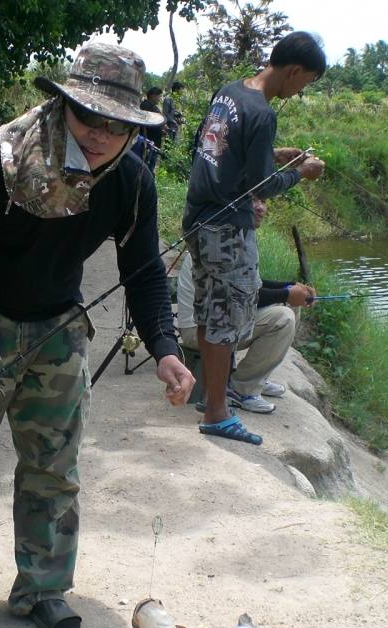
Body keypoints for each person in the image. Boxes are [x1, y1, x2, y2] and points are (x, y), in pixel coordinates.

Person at [0, 42, 195, 628]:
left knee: (54, 470)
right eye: (89, 117)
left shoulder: (132, 181)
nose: (101, 135)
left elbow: (141, 271)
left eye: (120, 124)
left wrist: (165, 347)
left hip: (58, 330)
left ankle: (42, 587)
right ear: (63, 105)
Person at [182, 31, 326, 444]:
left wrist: (275, 155)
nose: (300, 91)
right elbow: (260, 186)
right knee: (228, 317)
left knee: (210, 313)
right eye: (306, 82)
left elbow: (218, 148)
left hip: (199, 218)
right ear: (294, 70)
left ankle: (212, 403)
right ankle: (217, 413)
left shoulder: (229, 93)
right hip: (228, 228)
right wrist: (301, 172)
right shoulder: (263, 112)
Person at [177, 199, 316, 415]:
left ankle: (256, 379)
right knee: (283, 317)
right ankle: (241, 389)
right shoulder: (223, 240)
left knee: (289, 303)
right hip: (198, 330)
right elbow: (237, 296)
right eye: (253, 201)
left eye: (264, 200)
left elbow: (252, 284)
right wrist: (288, 293)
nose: (260, 207)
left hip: (221, 319)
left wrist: (291, 287)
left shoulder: (239, 235)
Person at [135, 86, 164, 171]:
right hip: (148, 141)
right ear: (153, 95)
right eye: (159, 96)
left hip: (153, 141)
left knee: (150, 165)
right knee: (145, 166)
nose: (159, 98)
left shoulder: (154, 107)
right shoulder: (146, 105)